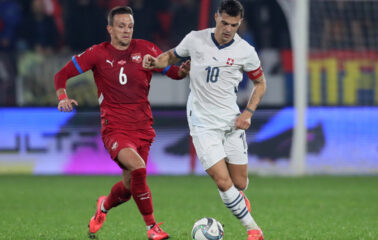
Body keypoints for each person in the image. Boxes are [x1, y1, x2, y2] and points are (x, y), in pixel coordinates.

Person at [54, 6, 190, 240]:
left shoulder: (147, 49)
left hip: (143, 128)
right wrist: (63, 96)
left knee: (129, 189)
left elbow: (172, 73)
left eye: (130, 26)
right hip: (115, 128)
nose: (126, 31)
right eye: (121, 26)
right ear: (110, 29)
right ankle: (152, 227)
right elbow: (61, 75)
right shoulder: (97, 54)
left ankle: (103, 206)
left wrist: (183, 71)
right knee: (139, 168)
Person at [143, 1, 266, 239]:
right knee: (222, 181)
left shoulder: (245, 51)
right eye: (224, 23)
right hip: (202, 122)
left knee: (239, 184)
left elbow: (261, 83)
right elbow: (171, 56)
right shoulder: (195, 39)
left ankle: (237, 200)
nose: (228, 29)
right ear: (216, 17)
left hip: (231, 121)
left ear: (239, 23)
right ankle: (254, 229)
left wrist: (248, 113)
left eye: (234, 24)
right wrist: (155, 62)